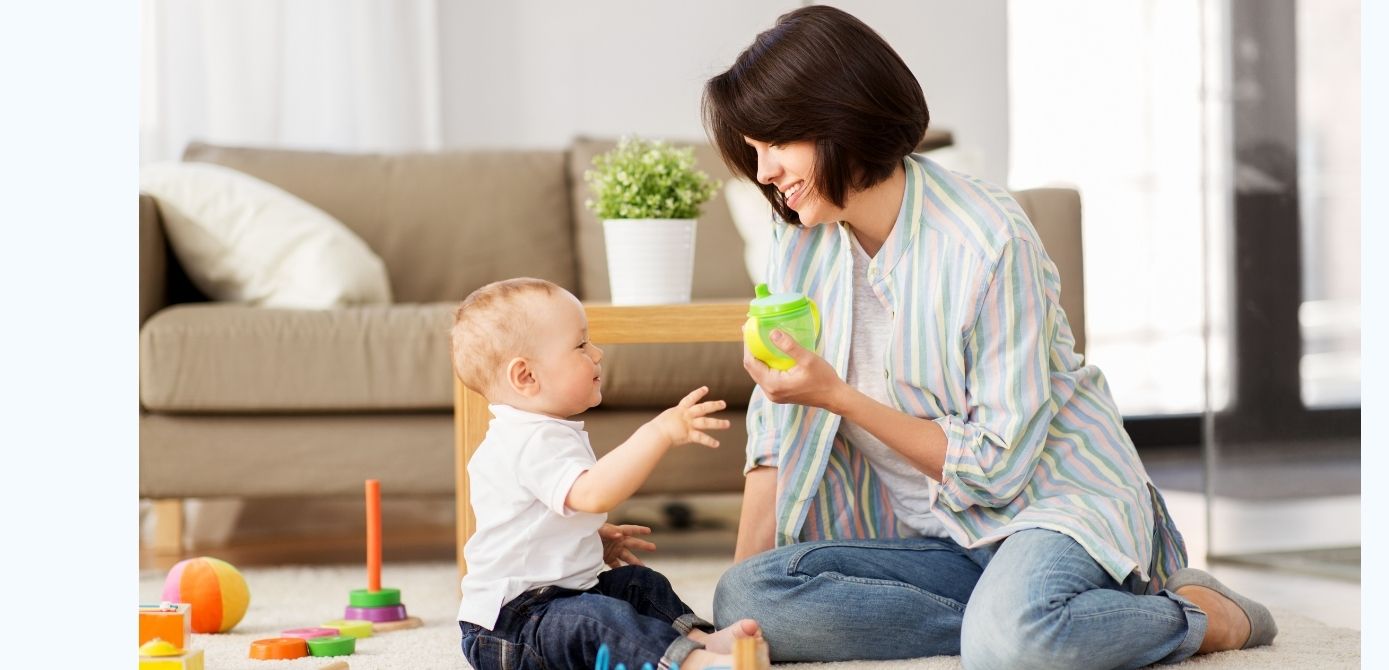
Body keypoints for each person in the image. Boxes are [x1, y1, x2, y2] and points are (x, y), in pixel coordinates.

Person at [701, 6, 1277, 668]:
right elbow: (777, 433)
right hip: (940, 541)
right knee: (751, 594)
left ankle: (1204, 619)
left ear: (839, 117)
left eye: (776, 144)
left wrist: (839, 397)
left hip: (1049, 507)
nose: (765, 171)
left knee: (1011, 646)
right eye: (755, 152)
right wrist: (732, 617)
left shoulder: (986, 238)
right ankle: (1029, 619)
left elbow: (1000, 467)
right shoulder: (798, 239)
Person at [451, 277, 768, 670]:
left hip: (553, 600)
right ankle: (690, 664)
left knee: (637, 584)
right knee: (596, 620)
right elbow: (593, 493)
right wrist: (658, 433)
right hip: (511, 628)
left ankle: (701, 640)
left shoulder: (538, 433)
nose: (597, 353)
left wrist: (585, 537)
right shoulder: (529, 441)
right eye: (581, 345)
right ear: (527, 377)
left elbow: (532, 524)